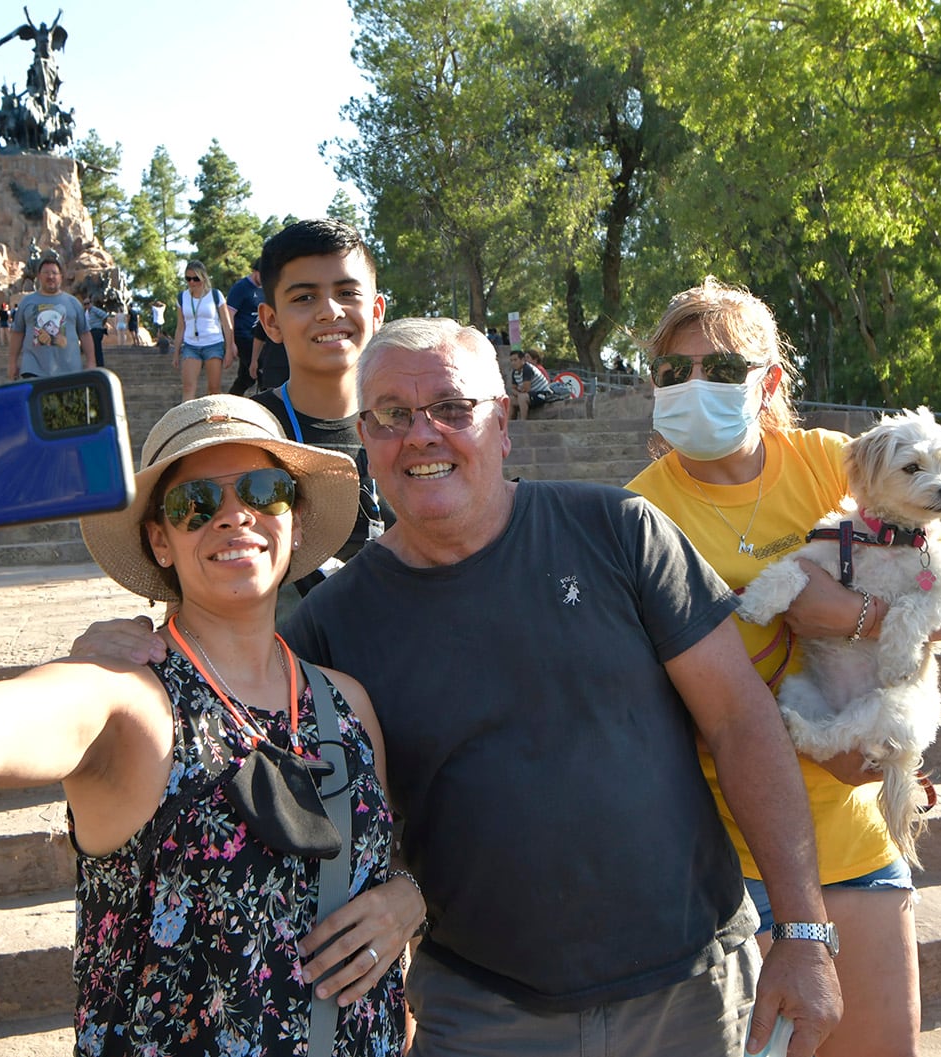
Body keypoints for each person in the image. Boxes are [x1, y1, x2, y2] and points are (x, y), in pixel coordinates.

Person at [75, 319, 844, 1057]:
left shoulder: (617, 529)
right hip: (481, 1014)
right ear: (368, 443)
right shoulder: (328, 629)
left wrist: (804, 932)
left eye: (451, 407)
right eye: (392, 415)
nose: (422, 433)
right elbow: (300, 825)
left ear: (502, 422)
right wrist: (114, 652)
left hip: (696, 992)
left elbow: (743, 721)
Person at [0, 391, 418, 1056]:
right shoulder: (126, 699)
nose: (233, 515)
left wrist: (410, 896)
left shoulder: (345, 703)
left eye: (264, 489)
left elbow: (392, 856)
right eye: (195, 503)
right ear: (159, 541)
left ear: (297, 520)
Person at [625, 278, 941, 1057]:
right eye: (673, 370)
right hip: (730, 850)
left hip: (854, 832)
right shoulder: (637, 511)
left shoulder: (835, 462)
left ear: (770, 380)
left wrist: (851, 618)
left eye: (723, 367)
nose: (696, 385)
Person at [251, 218, 391, 594]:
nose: (329, 311)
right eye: (304, 298)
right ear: (271, 321)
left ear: (377, 312)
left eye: (347, 293)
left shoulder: (414, 424)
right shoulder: (245, 437)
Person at [9, 256, 94, 379]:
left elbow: (85, 333)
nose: (50, 277)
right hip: (33, 370)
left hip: (70, 370)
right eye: (46, 273)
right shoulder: (26, 302)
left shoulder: (73, 303)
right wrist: (12, 362)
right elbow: (18, 333)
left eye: (54, 273)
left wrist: (91, 362)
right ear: (39, 276)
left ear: (61, 276)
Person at [175, 261, 237, 402]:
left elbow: (227, 324)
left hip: (213, 343)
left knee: (214, 388)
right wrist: (176, 351)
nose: (192, 282)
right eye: (188, 278)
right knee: (188, 388)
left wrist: (229, 349)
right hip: (190, 345)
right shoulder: (182, 297)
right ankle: (187, 420)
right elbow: (180, 327)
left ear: (203, 277)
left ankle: (212, 419)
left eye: (195, 278)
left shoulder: (215, 295)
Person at [227, 258, 266, 395]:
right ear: (255, 272)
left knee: (246, 377)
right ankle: (269, 403)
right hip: (243, 336)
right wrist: (231, 343)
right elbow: (229, 315)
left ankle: (231, 400)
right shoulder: (241, 288)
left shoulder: (268, 289)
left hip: (261, 337)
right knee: (262, 369)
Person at [507, 348, 556, 419]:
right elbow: (513, 389)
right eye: (511, 360)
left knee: (522, 397)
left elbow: (526, 389)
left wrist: (518, 392)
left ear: (522, 360)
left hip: (542, 394)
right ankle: (510, 424)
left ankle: (523, 422)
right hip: (529, 395)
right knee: (511, 399)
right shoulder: (515, 372)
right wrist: (518, 393)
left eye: (515, 360)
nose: (513, 363)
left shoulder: (527, 369)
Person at [83, 297, 110, 368]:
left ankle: (100, 365)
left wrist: (102, 325)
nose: (86, 305)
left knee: (97, 348)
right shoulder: (87, 312)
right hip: (91, 331)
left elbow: (104, 315)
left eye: (88, 303)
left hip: (97, 330)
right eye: (85, 304)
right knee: (94, 348)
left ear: (91, 303)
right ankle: (96, 364)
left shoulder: (94, 309)